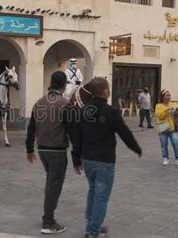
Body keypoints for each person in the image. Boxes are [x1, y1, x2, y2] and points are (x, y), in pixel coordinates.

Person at [70, 77, 142, 238]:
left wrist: (76, 159)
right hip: (104, 161)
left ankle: (92, 223)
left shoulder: (83, 111)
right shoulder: (110, 112)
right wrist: (135, 148)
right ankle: (93, 231)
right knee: (101, 196)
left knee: (94, 191)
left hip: (87, 160)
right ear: (105, 92)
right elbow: (124, 132)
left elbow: (76, 137)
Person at [26, 71, 70, 234]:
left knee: (51, 182)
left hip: (42, 149)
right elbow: (72, 130)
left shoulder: (39, 103)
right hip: (57, 150)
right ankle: (48, 222)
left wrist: (29, 149)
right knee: (54, 185)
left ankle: (48, 216)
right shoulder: (64, 104)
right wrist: (78, 154)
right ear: (64, 85)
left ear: (51, 82)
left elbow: (31, 128)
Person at [155, 90, 178, 167]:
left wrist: (177, 111)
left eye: (169, 95)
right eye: (167, 95)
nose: (169, 97)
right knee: (164, 145)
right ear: (163, 97)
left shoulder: (173, 104)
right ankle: (165, 158)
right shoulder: (158, 106)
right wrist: (167, 111)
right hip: (162, 127)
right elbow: (159, 116)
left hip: (172, 128)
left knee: (175, 143)